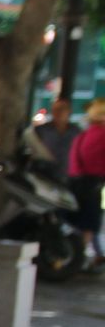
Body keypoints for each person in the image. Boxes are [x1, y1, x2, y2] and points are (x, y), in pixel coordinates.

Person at [68, 98, 105, 268]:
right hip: (93, 184)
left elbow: (74, 163)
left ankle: (92, 254)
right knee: (89, 223)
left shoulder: (83, 135)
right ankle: (81, 257)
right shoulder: (100, 136)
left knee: (82, 222)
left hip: (78, 182)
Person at [30, 98, 81, 182]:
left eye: (62, 110)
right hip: (45, 175)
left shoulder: (76, 132)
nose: (59, 113)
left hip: (68, 177)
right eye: (56, 110)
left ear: (69, 112)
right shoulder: (41, 130)